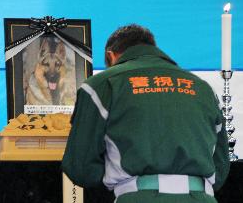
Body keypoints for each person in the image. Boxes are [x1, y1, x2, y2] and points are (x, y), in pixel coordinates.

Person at [62, 24, 230, 203]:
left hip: (139, 197)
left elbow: (80, 167)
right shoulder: (203, 88)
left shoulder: (101, 85)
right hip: (202, 197)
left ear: (111, 56)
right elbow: (220, 163)